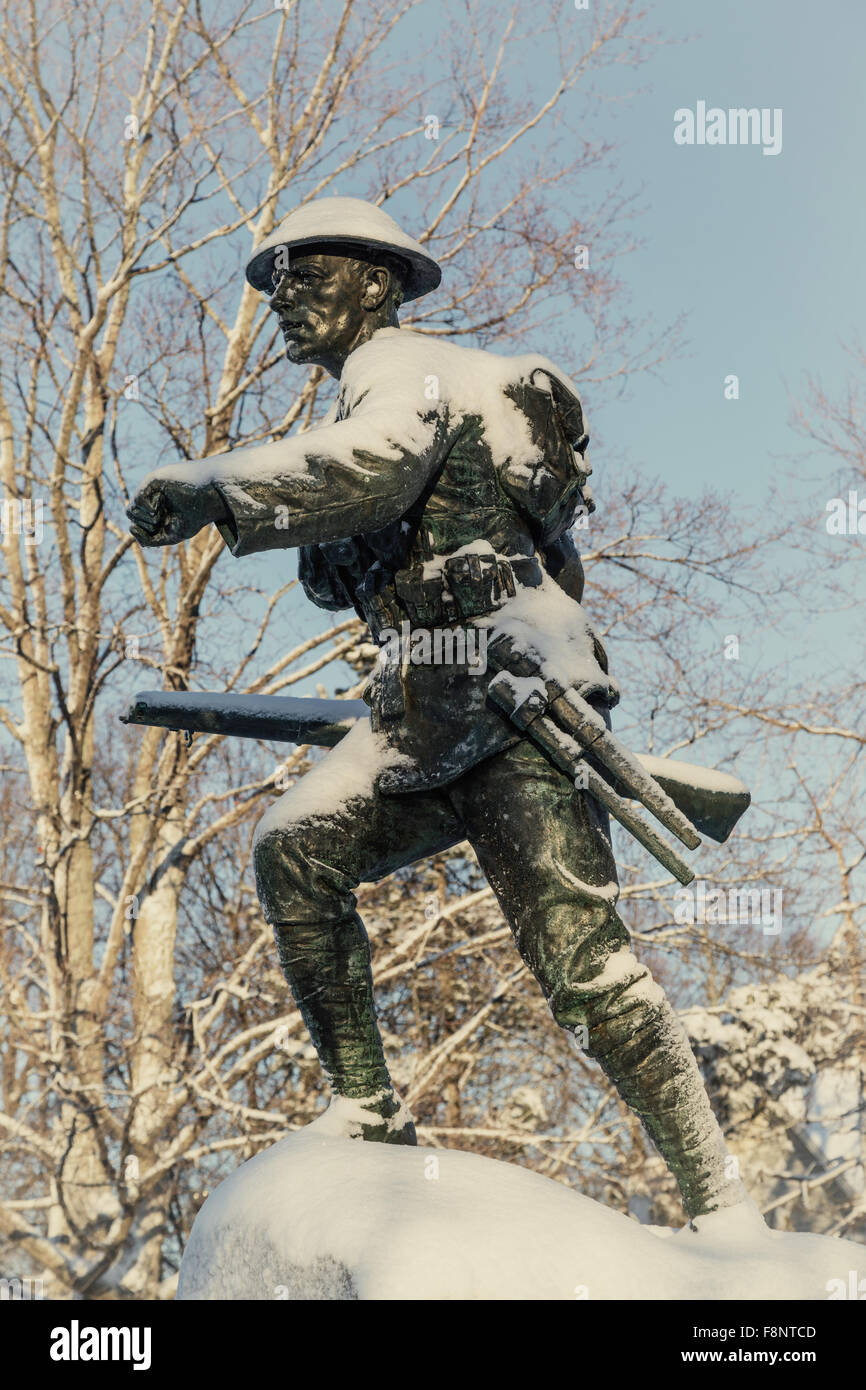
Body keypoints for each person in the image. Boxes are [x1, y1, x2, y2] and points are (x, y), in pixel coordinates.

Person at [128, 196, 749, 1220]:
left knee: (586, 977)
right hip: (423, 716)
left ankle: (723, 1205)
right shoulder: (369, 393)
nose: (284, 299)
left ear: (374, 285)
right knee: (298, 848)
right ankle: (365, 1104)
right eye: (275, 284)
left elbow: (371, 469)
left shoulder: (406, 369)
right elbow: (352, 548)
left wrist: (218, 491)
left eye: (306, 277)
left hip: (510, 702)